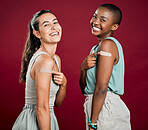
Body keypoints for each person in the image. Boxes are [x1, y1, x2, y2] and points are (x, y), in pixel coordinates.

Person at [12, 10, 67, 130]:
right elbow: (41, 108)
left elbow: (56, 103)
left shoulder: (56, 59)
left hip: (48, 118)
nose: (53, 27)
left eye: (55, 22)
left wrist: (63, 85)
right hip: (34, 121)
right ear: (37, 34)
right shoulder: (44, 61)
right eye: (46, 25)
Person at [79, 4, 131, 130]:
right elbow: (85, 89)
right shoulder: (96, 49)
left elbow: (102, 88)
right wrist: (83, 68)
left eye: (103, 20)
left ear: (114, 26)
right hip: (97, 106)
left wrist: (93, 122)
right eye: (95, 17)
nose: (95, 22)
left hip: (106, 108)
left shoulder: (107, 44)